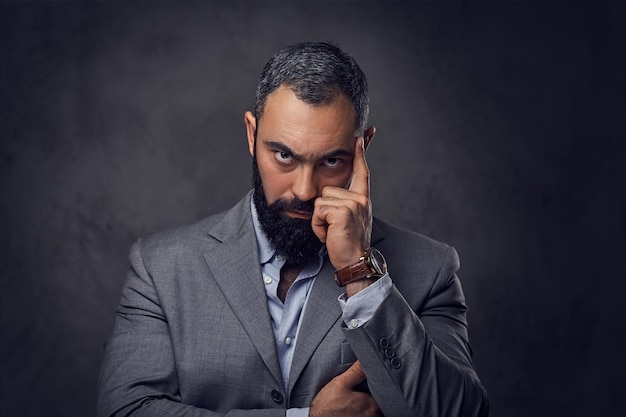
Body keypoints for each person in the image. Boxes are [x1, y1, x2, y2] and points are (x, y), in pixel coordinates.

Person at [97, 41, 489, 417]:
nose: (304, 189)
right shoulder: (160, 268)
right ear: (252, 135)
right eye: (283, 155)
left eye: (331, 161)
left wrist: (360, 272)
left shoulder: (431, 269)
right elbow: (126, 410)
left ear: (362, 148)